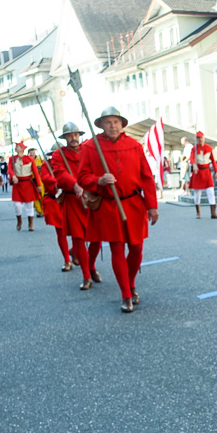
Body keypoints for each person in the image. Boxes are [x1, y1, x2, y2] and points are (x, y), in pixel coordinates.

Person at [76, 107, 158, 312]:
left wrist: (152, 206)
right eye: (108, 122)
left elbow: (146, 177)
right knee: (117, 248)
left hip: (133, 205)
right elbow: (82, 177)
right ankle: (126, 294)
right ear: (101, 125)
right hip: (109, 206)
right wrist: (99, 180)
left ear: (122, 124)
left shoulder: (134, 146)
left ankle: (131, 283)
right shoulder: (90, 147)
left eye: (116, 122)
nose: (112, 126)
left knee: (137, 248)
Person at [51, 122, 102, 290]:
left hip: (91, 197)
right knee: (79, 239)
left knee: (97, 239)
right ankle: (86, 275)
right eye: (70, 135)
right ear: (65, 138)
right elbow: (60, 173)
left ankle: (92, 266)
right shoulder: (59, 155)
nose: (74, 138)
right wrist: (74, 185)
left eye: (76, 135)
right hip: (73, 200)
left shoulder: (88, 149)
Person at [36, 147, 70, 270]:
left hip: (71, 199)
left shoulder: (68, 161)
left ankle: (76, 251)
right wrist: (56, 182)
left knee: (81, 231)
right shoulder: (46, 165)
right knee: (61, 232)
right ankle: (67, 260)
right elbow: (44, 177)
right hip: (55, 199)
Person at [187, 131, 217, 219]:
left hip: (206, 172)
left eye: (201, 137)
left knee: (211, 192)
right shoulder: (194, 149)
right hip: (197, 173)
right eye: (198, 138)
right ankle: (198, 212)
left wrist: (216, 172)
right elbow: (192, 158)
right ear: (196, 139)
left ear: (204, 138)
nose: (200, 139)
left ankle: (213, 212)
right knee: (197, 194)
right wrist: (194, 165)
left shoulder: (209, 148)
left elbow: (213, 161)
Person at [8, 142, 38, 231]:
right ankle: (19, 221)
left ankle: (30, 223)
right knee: (17, 205)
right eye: (16, 147)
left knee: (29, 205)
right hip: (17, 184)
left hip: (27, 184)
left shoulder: (29, 159)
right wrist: (13, 176)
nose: (16, 148)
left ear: (22, 149)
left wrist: (38, 185)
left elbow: (35, 172)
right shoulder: (12, 159)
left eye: (17, 147)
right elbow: (9, 168)